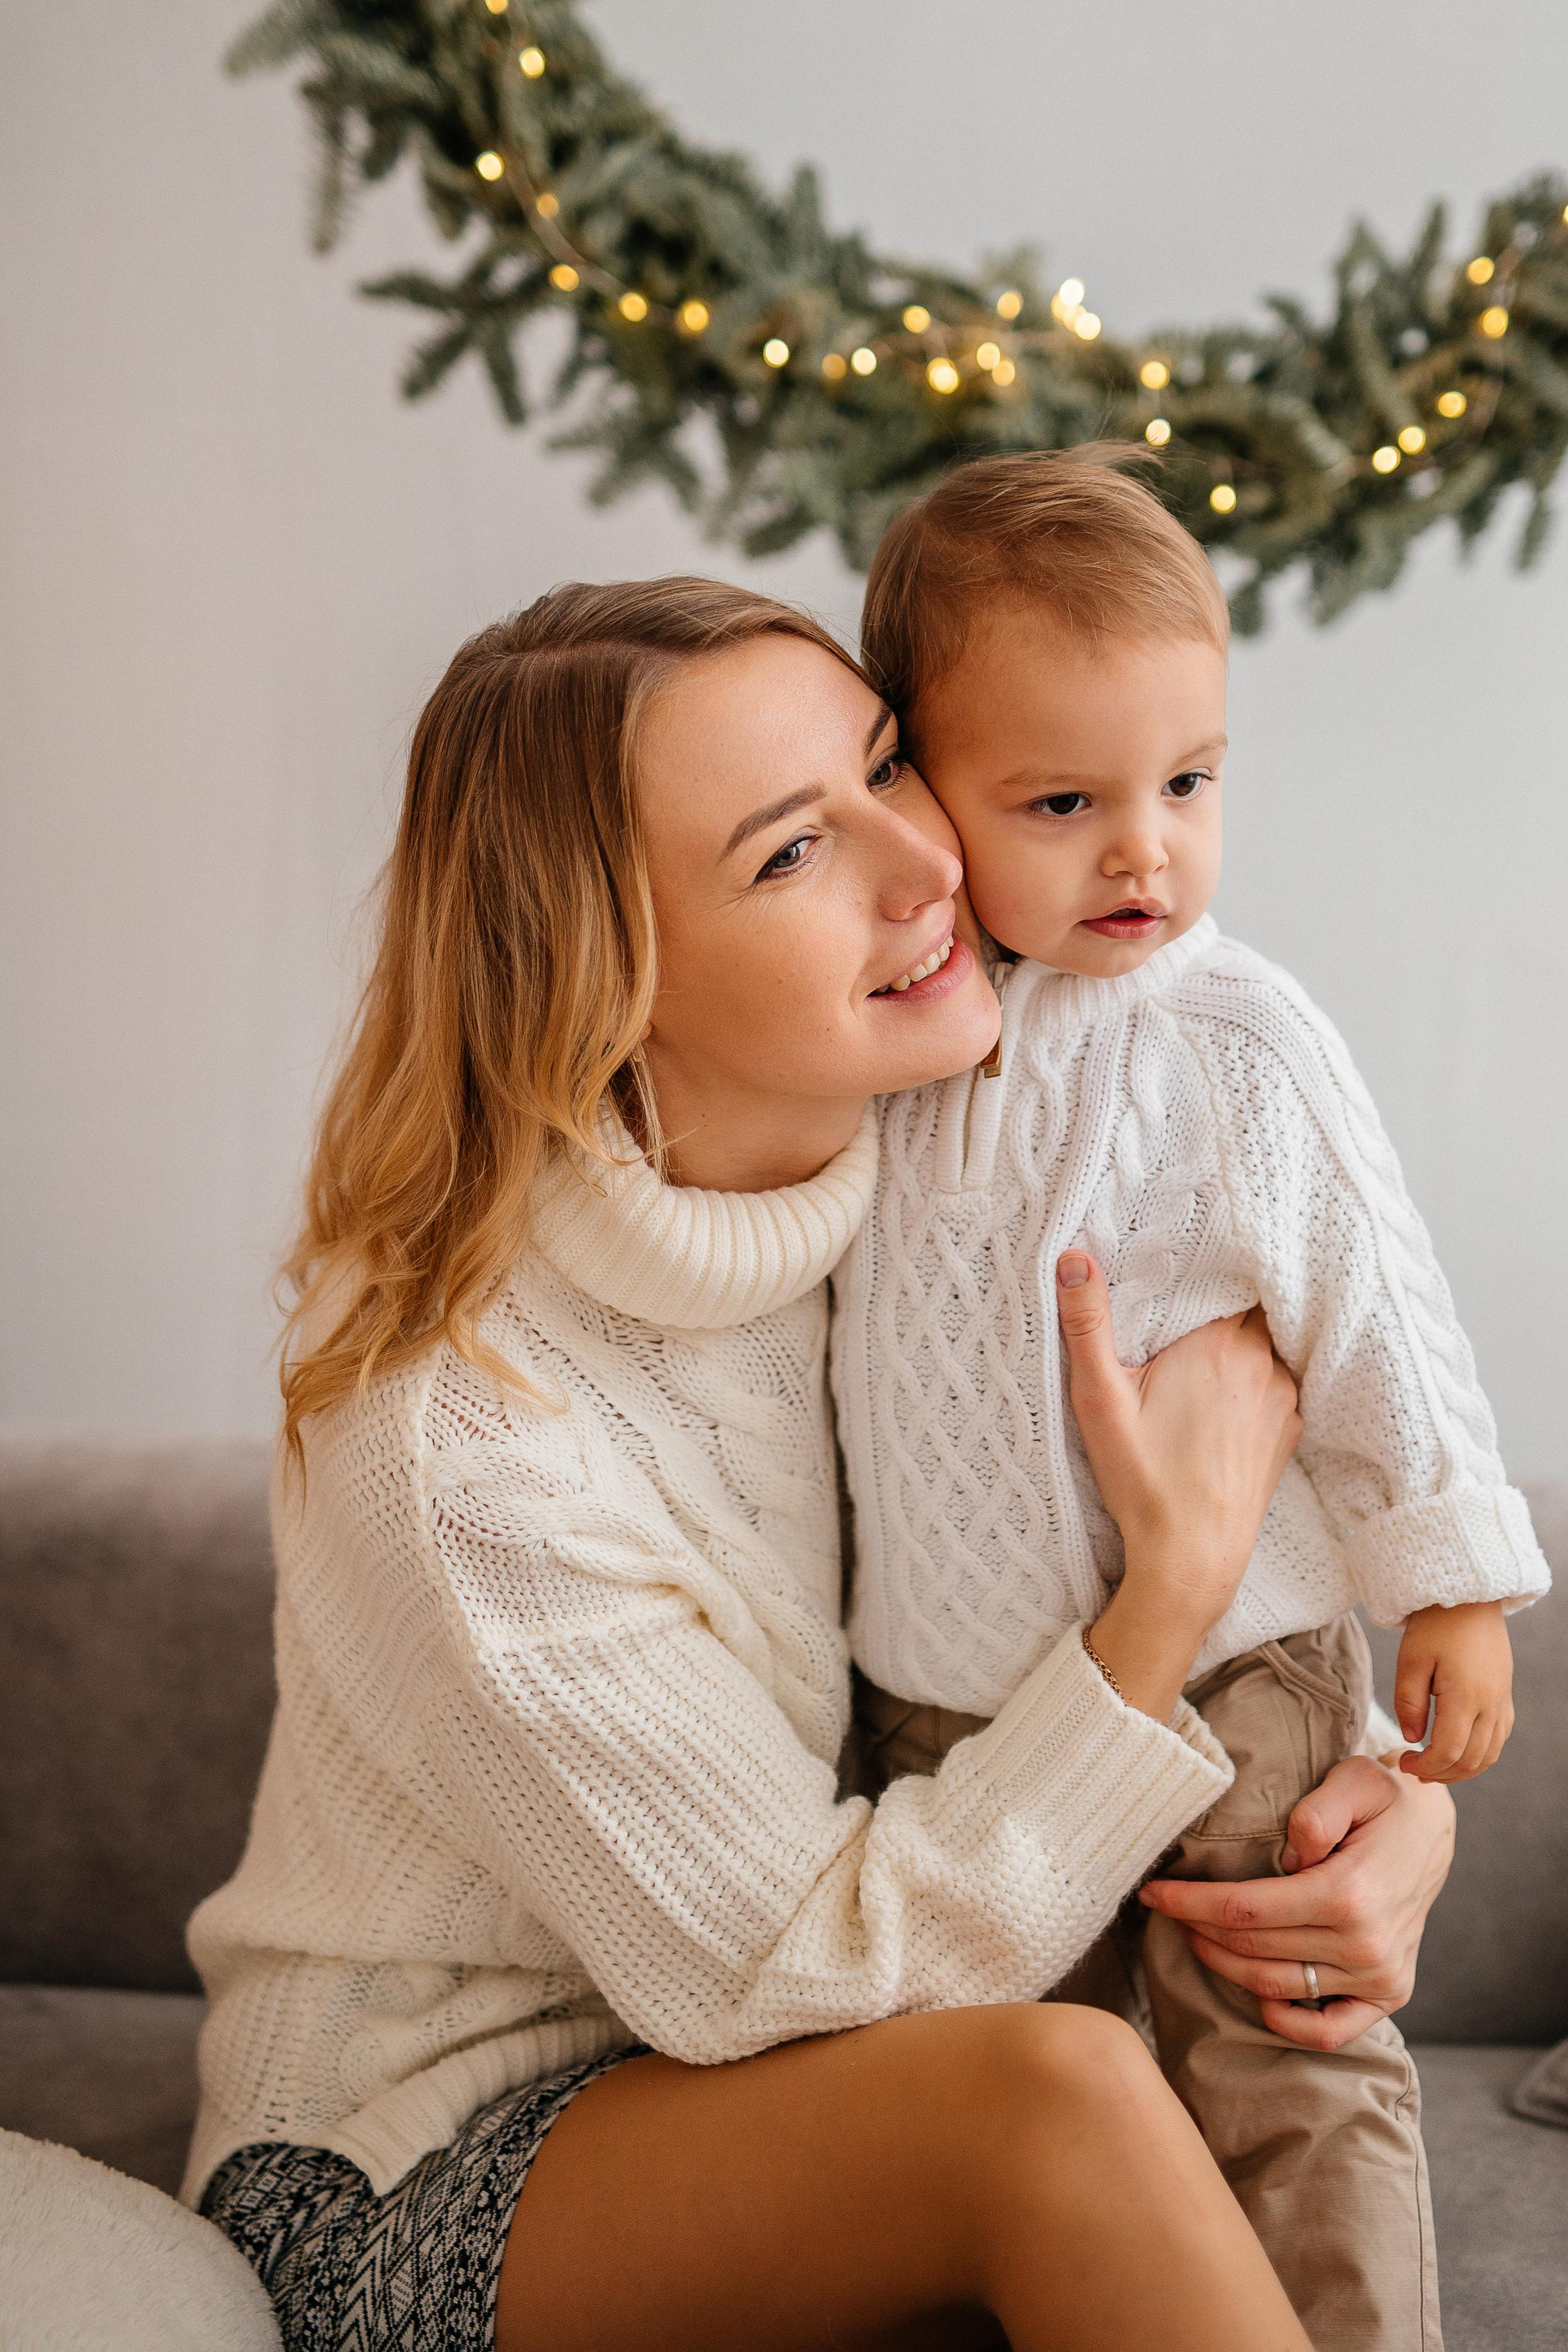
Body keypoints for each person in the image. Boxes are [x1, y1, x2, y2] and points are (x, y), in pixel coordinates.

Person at [186, 576, 1457, 2352]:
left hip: (800, 2073)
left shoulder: (940, 1183)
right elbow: (793, 1972)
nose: (925, 863)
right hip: (426, 2162)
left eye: (886, 766)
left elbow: (1175, 1523)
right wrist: (1168, 1597)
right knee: (1059, 2101)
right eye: (790, 855)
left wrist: (1379, 1810)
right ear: (605, 978)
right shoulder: (458, 1438)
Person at [834, 450, 1550, 2349]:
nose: (1141, 850)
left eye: (1187, 783)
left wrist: (1452, 1581)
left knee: (1278, 2055)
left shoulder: (1232, 1036)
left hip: (1236, 1673)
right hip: (946, 1707)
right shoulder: (888, 1043)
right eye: (1061, 802)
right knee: (1014, 2090)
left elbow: (1376, 1306)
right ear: (912, 792)